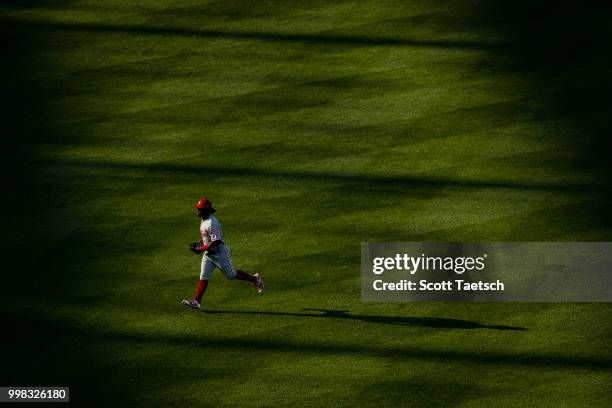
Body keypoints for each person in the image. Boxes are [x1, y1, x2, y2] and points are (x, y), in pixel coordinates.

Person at [182, 198, 264, 310]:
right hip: (209, 254)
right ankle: (196, 301)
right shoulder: (203, 220)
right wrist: (200, 243)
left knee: (232, 275)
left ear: (207, 210)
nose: (198, 211)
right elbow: (207, 237)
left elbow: (217, 241)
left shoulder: (212, 223)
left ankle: (255, 279)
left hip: (220, 253)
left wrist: (200, 248)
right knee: (203, 276)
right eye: (198, 209)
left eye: (200, 209)